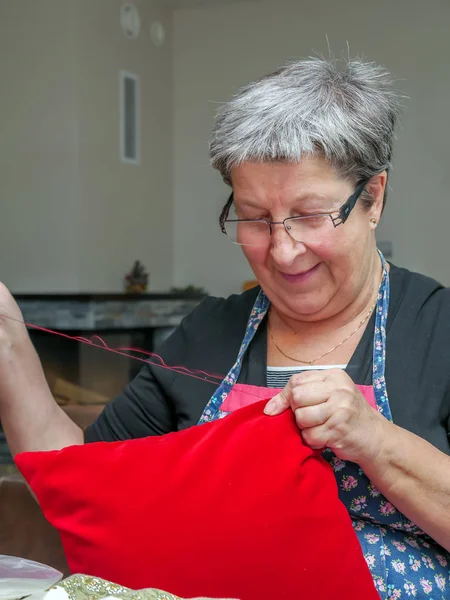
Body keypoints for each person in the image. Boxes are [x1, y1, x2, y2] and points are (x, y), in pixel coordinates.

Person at [1, 57, 449, 598]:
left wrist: (375, 442)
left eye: (309, 215)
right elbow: (85, 483)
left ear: (373, 198)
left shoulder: (436, 331)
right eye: (255, 218)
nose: (283, 251)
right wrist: (12, 353)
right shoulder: (209, 331)